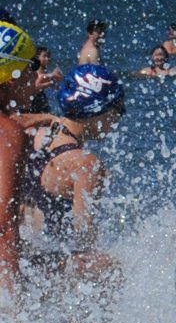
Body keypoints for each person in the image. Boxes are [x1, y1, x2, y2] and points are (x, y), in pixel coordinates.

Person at [16, 65, 125, 284]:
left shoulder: (34, 134)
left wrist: (46, 116)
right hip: (40, 269)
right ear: (98, 110)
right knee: (111, 268)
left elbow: (10, 119)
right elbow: (84, 232)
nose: (120, 117)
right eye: (118, 109)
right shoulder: (86, 164)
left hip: (17, 257)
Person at [0, 20, 39, 296]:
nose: (36, 77)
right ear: (13, 77)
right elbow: (3, 224)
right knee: (103, 267)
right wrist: (17, 311)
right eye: (32, 67)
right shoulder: (8, 132)